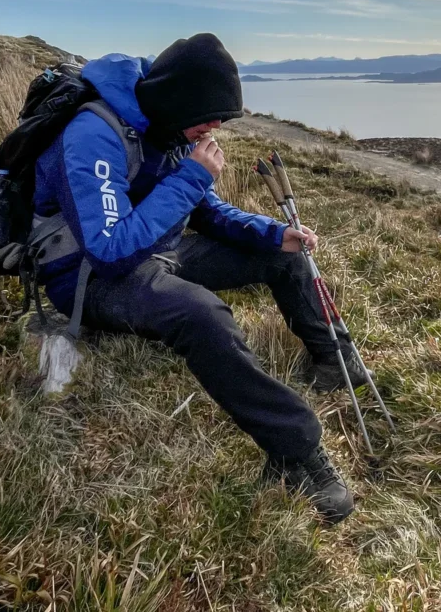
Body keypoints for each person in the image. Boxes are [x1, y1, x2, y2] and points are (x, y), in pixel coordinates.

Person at [31, 33, 367, 524]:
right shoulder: (93, 133)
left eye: (222, 119)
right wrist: (191, 177)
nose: (214, 128)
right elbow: (108, 249)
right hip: (85, 275)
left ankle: (335, 360)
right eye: (209, 116)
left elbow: (205, 211)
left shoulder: (169, 126)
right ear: (177, 98)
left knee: (280, 254)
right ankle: (296, 454)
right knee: (201, 314)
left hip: (158, 250)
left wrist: (275, 234)